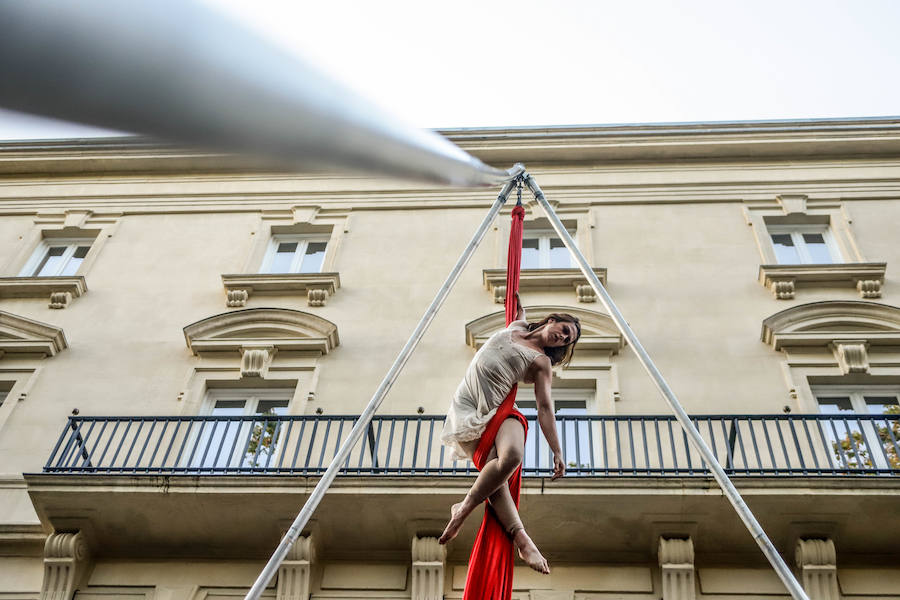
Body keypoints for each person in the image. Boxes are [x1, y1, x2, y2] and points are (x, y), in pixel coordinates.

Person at [439, 293, 581, 574]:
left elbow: (544, 407)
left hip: (502, 412)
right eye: (564, 331)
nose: (563, 339)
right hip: (468, 409)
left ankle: (464, 508)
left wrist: (557, 451)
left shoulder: (541, 362)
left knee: (512, 455)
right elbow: (518, 308)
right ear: (552, 320)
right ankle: (522, 538)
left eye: (568, 340)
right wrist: (511, 286)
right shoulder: (516, 327)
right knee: (495, 482)